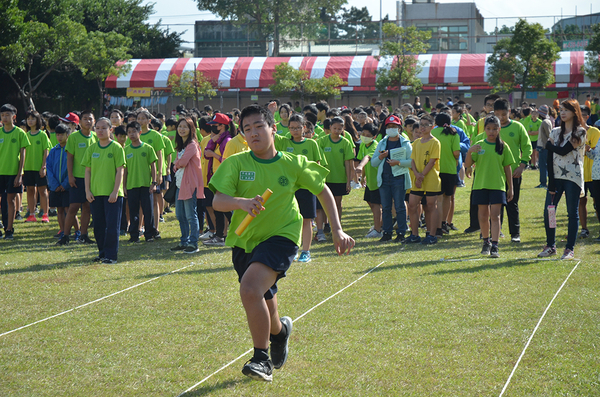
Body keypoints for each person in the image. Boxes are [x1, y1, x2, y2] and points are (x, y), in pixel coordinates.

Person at [209, 104, 354, 382]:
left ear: (274, 129)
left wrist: (336, 229)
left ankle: (260, 359)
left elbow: (322, 190)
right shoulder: (236, 163)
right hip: (244, 240)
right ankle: (280, 332)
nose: (253, 134)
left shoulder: (292, 162)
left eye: (259, 127)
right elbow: (218, 200)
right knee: (264, 298)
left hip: (282, 237)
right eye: (247, 129)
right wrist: (242, 203)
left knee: (250, 288)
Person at [538, 99, 586, 260]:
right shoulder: (555, 131)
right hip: (556, 177)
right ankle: (550, 245)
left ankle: (569, 249)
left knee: (572, 213)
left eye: (566, 110)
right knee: (549, 211)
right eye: (561, 110)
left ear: (574, 112)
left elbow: (564, 150)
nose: (563, 113)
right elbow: (550, 157)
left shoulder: (580, 132)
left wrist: (549, 146)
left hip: (573, 177)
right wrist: (550, 180)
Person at [465, 115, 515, 257]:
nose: (491, 132)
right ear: (484, 129)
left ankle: (495, 245)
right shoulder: (479, 144)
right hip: (480, 185)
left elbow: (507, 168)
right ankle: (485, 242)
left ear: (499, 129)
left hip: (497, 185)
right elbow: (468, 164)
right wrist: (470, 151)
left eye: (494, 129)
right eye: (488, 129)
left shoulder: (504, 146)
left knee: (495, 215)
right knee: (482, 215)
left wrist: (510, 187)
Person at [82, 117, 126, 264]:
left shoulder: (116, 148)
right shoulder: (92, 148)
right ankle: (102, 253)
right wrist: (87, 191)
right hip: (95, 194)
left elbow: (120, 171)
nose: (100, 131)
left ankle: (111, 256)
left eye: (103, 128)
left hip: (112, 195)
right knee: (99, 227)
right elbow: (87, 171)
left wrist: (115, 191)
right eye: (98, 128)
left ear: (110, 130)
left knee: (112, 227)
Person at [282, 113, 324, 262]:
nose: (295, 131)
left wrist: (316, 185)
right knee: (291, 219)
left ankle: (306, 251)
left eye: (298, 128)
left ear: (304, 128)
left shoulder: (312, 144)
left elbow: (317, 166)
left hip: (306, 188)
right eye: (292, 128)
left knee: (307, 219)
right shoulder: (284, 143)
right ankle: (293, 250)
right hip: (289, 188)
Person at [494, 98, 532, 243]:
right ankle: (498, 231)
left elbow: (527, 146)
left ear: (509, 112)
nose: (501, 118)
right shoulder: (492, 129)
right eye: (497, 114)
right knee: (497, 204)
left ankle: (515, 233)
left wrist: (522, 165)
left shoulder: (518, 127)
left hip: (514, 172)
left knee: (512, 203)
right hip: (496, 173)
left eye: (503, 114)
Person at [371, 115, 412, 242]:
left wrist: (398, 162)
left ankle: (401, 232)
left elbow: (411, 162)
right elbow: (373, 163)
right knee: (386, 207)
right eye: (389, 127)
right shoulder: (382, 142)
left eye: (394, 127)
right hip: (384, 178)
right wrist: (381, 157)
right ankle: (387, 233)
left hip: (399, 177)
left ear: (400, 128)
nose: (391, 129)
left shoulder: (405, 143)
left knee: (400, 206)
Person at [58, 110, 96, 246]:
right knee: (73, 207)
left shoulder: (96, 137)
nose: (88, 121)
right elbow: (70, 158)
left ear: (94, 121)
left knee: (87, 207)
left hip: (91, 178)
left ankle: (84, 235)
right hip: (77, 178)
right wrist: (70, 176)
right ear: (80, 122)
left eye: (90, 119)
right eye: (85, 119)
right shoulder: (73, 137)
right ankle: (65, 236)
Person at [316, 116, 355, 242]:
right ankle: (323, 227)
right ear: (330, 128)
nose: (337, 131)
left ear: (343, 128)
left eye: (339, 128)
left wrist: (349, 181)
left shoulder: (345, 142)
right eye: (334, 128)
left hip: (340, 178)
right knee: (322, 204)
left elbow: (349, 163)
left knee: (337, 203)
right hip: (325, 179)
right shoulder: (321, 141)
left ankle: (337, 227)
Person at [170, 118, 204, 254]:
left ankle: (193, 243)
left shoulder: (192, 145)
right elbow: (178, 162)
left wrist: (176, 164)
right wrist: (176, 163)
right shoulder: (182, 146)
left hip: (190, 183)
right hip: (180, 183)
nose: (181, 129)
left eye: (185, 127)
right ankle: (184, 241)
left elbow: (182, 162)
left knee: (191, 215)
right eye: (180, 126)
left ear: (191, 130)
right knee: (180, 214)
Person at [407, 114, 441, 245]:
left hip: (430, 178)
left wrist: (422, 175)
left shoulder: (435, 142)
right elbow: (413, 160)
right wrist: (417, 174)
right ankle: (414, 234)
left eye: (426, 125)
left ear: (432, 127)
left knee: (431, 206)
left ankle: (432, 234)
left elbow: (432, 161)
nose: (422, 127)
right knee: (412, 205)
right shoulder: (416, 143)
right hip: (417, 179)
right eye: (421, 124)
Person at [203, 113, 235, 247]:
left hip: (223, 177)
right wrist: (213, 141)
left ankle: (224, 235)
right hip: (215, 176)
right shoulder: (218, 139)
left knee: (223, 208)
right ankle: (220, 236)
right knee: (219, 207)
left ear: (222, 126)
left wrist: (214, 155)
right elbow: (205, 153)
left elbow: (227, 162)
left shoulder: (226, 141)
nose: (212, 128)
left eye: (215, 125)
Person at [124, 121, 158, 243]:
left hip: (146, 185)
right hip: (131, 185)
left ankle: (149, 234)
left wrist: (154, 182)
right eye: (129, 132)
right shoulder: (126, 150)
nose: (131, 134)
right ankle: (134, 235)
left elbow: (153, 166)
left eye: (134, 131)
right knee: (133, 211)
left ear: (140, 132)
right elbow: (125, 170)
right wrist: (123, 186)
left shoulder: (148, 148)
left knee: (148, 210)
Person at [0, 104, 30, 240]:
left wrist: (19, 174)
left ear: (14, 117)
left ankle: (9, 229)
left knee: (10, 200)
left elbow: (22, 155)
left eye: (7, 115)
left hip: (12, 173)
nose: (4, 118)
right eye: (2, 115)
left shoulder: (20, 133)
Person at [431, 113, 460, 236]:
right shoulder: (454, 133)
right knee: (448, 197)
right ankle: (443, 223)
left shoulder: (432, 133)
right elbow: (456, 153)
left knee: (438, 199)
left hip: (435, 170)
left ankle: (437, 226)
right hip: (450, 170)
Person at [23, 110, 52, 223]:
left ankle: (45, 213)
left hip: (39, 168)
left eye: (33, 118)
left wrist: (43, 167)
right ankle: (31, 214)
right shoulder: (25, 135)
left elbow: (46, 151)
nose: (30, 121)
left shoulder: (42, 134)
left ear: (38, 120)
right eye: (28, 119)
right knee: (30, 190)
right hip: (28, 167)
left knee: (43, 190)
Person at [355, 123, 381, 238]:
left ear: (374, 137)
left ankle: (378, 230)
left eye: (368, 135)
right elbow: (364, 159)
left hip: (377, 181)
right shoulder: (363, 145)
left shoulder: (375, 146)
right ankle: (379, 224)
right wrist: (363, 176)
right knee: (370, 202)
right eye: (363, 134)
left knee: (376, 205)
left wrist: (360, 167)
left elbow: (367, 158)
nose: (365, 137)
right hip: (370, 181)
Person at [46, 124, 71, 239]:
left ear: (68, 135)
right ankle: (62, 230)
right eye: (57, 134)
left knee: (68, 209)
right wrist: (54, 184)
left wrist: (65, 184)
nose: (59, 137)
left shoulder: (70, 150)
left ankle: (75, 231)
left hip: (67, 186)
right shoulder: (53, 150)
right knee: (59, 210)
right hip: (55, 186)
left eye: (62, 134)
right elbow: (49, 168)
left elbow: (73, 168)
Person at [578, 106, 600, 238]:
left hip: (594, 174)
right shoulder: (574, 132)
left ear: (588, 117)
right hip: (579, 173)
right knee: (581, 201)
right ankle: (584, 229)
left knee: (597, 202)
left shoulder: (595, 132)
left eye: (584, 115)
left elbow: (594, 151)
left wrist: (587, 149)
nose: (581, 118)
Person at [536, 105, 552, 188]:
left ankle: (543, 183)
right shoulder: (547, 121)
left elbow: (549, 135)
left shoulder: (545, 122)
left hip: (544, 147)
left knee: (542, 166)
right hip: (544, 147)